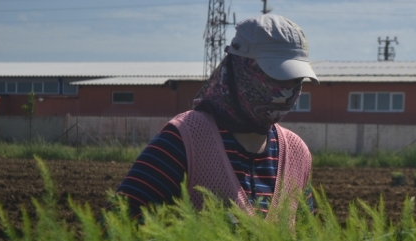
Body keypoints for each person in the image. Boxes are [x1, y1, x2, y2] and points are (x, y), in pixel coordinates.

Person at [108, 14, 318, 221]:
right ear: (240, 70)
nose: (288, 90)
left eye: (296, 80)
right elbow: (117, 227)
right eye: (277, 75)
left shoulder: (297, 154)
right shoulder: (185, 140)